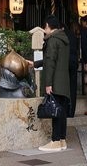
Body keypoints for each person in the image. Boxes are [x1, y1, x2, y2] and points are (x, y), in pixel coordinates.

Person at [29, 15, 70, 152]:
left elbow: (51, 62)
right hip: (64, 81)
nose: (44, 30)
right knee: (61, 111)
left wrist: (48, 84)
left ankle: (55, 141)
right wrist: (35, 64)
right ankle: (62, 140)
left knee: (55, 113)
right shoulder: (64, 39)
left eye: (45, 27)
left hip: (55, 82)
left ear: (47, 25)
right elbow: (51, 60)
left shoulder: (52, 40)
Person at [66, 18, 80, 118]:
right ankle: (72, 112)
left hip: (66, 62)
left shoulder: (63, 35)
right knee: (73, 87)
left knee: (65, 87)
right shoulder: (75, 37)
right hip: (74, 61)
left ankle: (66, 110)